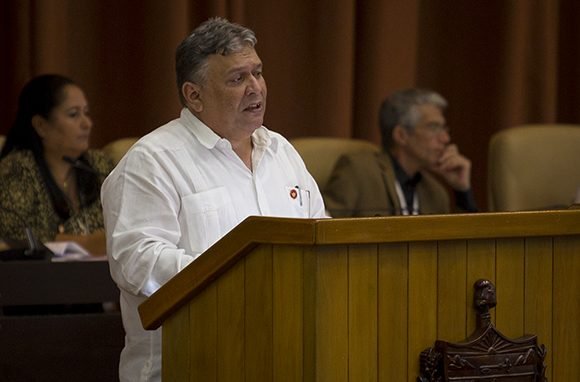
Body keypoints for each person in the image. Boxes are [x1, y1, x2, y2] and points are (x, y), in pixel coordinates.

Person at [101, 17, 326, 382]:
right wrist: (243, 280)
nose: (256, 88)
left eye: (258, 72)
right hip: (186, 366)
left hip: (286, 360)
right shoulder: (151, 161)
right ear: (194, 95)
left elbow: (321, 238)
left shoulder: (281, 152)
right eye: (237, 79)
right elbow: (137, 261)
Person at [0, 74, 114, 254]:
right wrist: (86, 243)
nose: (87, 123)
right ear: (41, 125)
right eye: (74, 114)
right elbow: (13, 235)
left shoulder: (100, 165)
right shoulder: (16, 170)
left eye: (86, 112)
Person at [323, 88, 478, 217]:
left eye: (444, 128)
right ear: (401, 135)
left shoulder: (435, 192)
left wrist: (462, 191)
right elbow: (325, 232)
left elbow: (456, 250)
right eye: (433, 127)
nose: (445, 138)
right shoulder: (357, 170)